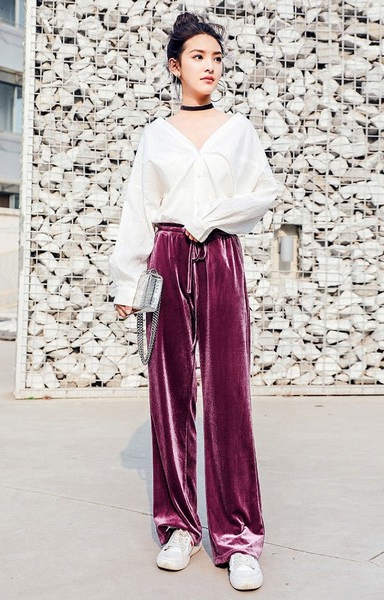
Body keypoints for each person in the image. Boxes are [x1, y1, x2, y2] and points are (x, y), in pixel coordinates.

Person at [109, 11, 278, 592]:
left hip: (222, 253)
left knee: (229, 393)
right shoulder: (156, 134)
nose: (210, 67)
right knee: (171, 391)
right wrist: (128, 283)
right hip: (167, 255)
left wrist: (212, 219)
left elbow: (263, 191)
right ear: (174, 66)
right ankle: (178, 526)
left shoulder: (239, 130)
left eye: (216, 58)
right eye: (198, 57)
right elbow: (138, 205)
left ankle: (238, 537)